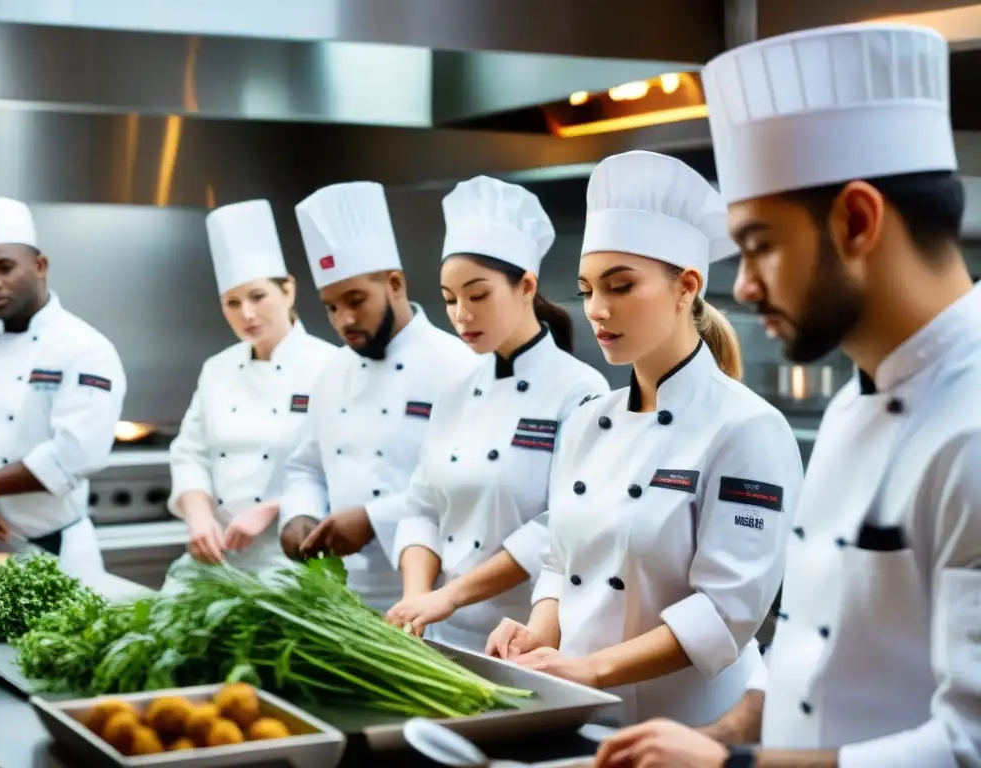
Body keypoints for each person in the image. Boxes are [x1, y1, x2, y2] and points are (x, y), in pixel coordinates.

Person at [596, 21, 981, 768]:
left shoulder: (972, 425)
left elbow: (969, 746)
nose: (740, 287)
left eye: (760, 244)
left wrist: (734, 767)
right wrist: (721, 735)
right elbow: (815, 655)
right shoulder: (850, 404)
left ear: (858, 221)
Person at [485, 151, 805, 729]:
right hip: (583, 709)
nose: (598, 311)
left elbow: (727, 611)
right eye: (586, 290)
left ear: (686, 287)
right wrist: (537, 639)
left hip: (692, 729)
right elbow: (562, 564)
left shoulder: (747, 429)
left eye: (621, 286)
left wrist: (594, 670)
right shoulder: (586, 421)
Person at [383, 176, 609, 651]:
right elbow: (421, 508)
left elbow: (560, 526)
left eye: (477, 295)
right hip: (439, 634)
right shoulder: (456, 389)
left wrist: (449, 596)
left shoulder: (580, 390)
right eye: (449, 299)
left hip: (524, 639)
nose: (461, 314)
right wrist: (417, 601)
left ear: (526, 285)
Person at [278, 180, 478, 612]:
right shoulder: (331, 373)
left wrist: (374, 520)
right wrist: (300, 514)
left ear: (395, 284)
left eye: (356, 300)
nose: (344, 319)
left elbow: (469, 487)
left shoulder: (459, 366)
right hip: (342, 596)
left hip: (432, 598)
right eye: (331, 307)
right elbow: (305, 466)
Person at [164, 200, 337, 587]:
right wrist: (199, 517)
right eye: (233, 303)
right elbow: (189, 452)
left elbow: (342, 468)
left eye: (258, 296)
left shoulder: (332, 367)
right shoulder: (217, 368)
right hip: (216, 556)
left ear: (288, 290)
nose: (247, 315)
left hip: (291, 559)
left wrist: (274, 508)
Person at [0, 197, 126, 578]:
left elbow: (76, 452)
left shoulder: (85, 348)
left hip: (57, 555)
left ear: (40, 265)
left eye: (4, 267)